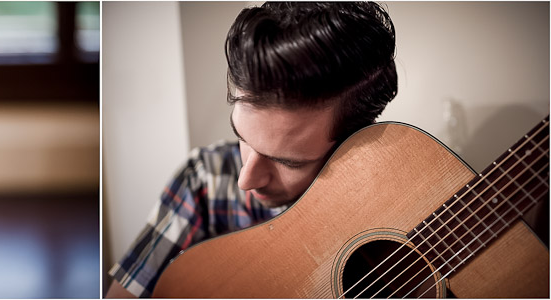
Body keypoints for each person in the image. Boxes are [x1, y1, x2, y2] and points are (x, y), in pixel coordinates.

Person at [107, 2, 398, 298]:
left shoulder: (395, 205)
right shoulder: (204, 179)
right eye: (242, 138)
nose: (245, 180)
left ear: (353, 144)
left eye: (288, 162)